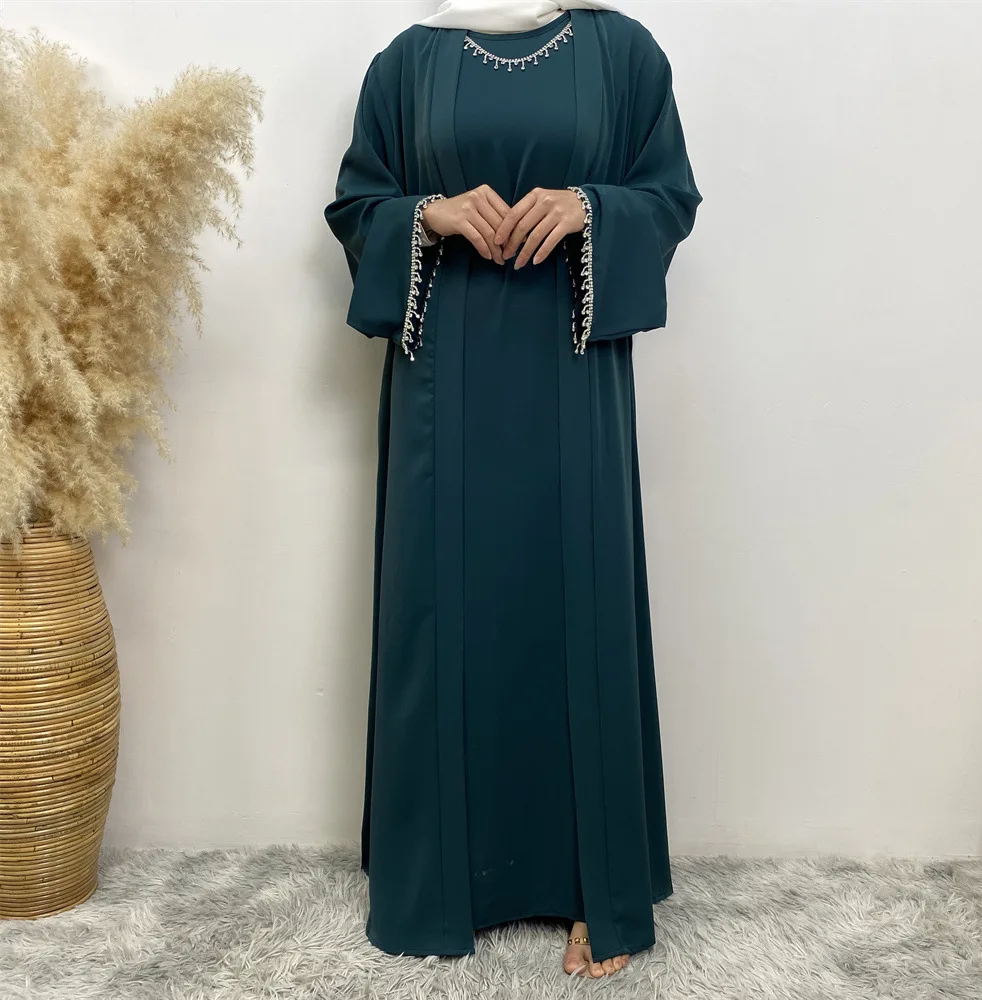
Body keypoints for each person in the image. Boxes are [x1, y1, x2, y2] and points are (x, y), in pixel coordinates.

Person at [325, 0, 701, 980]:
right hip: (442, 376)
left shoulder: (621, 51)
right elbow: (358, 206)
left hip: (571, 368)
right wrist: (430, 214)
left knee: (576, 601)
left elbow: (669, 196)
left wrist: (590, 208)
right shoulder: (407, 62)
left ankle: (595, 885)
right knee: (443, 609)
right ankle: (441, 880)